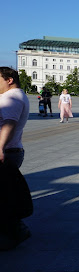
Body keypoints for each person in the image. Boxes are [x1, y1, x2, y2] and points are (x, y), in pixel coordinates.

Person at [0, 67, 31, 250]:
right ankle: (16, 230)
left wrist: (0, 148)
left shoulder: (12, 98)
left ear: (9, 79)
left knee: (4, 197)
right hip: (11, 150)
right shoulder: (13, 96)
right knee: (5, 195)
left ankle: (14, 233)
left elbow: (9, 123)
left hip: (8, 151)